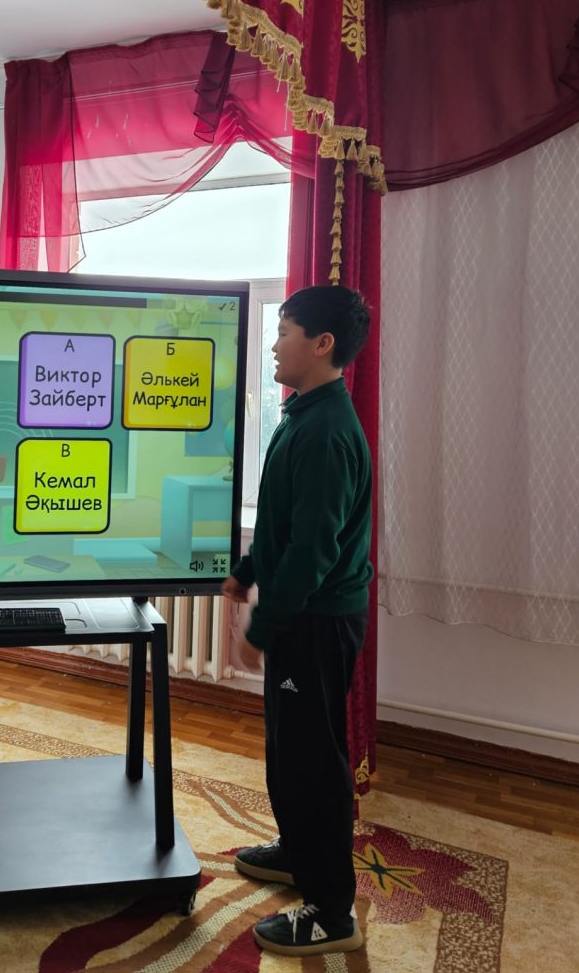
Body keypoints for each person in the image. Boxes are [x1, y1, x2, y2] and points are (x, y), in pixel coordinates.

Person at [221, 284, 372, 957]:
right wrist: (248, 570)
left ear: (322, 343)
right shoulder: (303, 415)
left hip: (316, 622)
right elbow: (285, 521)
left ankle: (332, 910)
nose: (274, 345)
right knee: (288, 748)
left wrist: (262, 630)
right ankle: (297, 852)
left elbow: (314, 551)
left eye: (284, 331)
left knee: (313, 760)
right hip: (303, 617)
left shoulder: (326, 432)